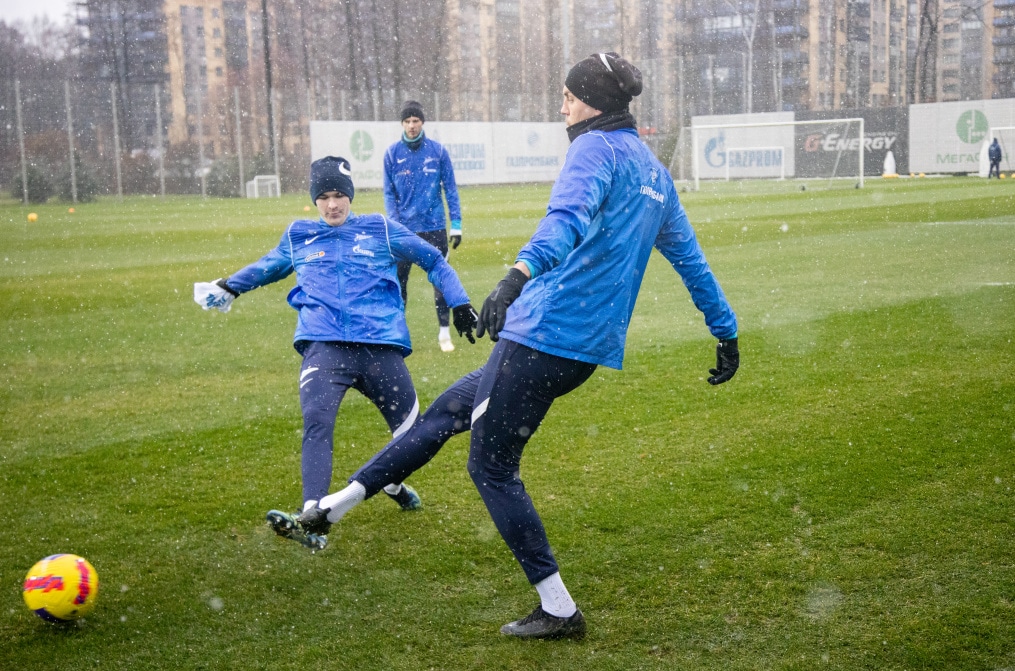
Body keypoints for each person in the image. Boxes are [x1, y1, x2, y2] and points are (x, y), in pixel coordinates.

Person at [284, 53, 739, 639]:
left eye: (569, 96)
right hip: (580, 346)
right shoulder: (654, 173)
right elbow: (691, 260)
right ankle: (333, 507)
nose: (562, 105)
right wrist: (724, 330)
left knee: (492, 466)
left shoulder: (593, 150)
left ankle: (558, 609)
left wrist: (516, 275)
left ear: (595, 103)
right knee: (450, 410)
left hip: (547, 335)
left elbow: (565, 219)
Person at [193, 155, 478, 550]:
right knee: (317, 421)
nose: (332, 204)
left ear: (350, 196)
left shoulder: (379, 227)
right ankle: (312, 518)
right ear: (314, 200)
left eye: (339, 195)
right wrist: (229, 286)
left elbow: (432, 259)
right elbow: (268, 266)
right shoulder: (299, 236)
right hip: (324, 347)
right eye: (324, 196)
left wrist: (460, 302)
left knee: (412, 436)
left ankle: (392, 483)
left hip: (380, 347)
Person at [384, 100, 464, 353]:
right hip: (404, 230)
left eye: (415, 120)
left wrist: (457, 224)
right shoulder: (391, 154)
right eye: (407, 121)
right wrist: (395, 225)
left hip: (434, 228)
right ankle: (397, 335)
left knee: (440, 281)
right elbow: (389, 194)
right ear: (402, 124)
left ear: (422, 122)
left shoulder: (438, 152)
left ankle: (444, 334)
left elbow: (450, 189)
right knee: (399, 284)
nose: (411, 126)